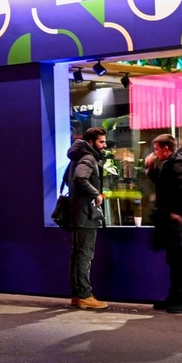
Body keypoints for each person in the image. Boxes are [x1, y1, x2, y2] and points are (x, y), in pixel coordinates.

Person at [144, 133, 182, 313]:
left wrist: (178, 212)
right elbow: (165, 186)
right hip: (174, 222)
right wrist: (151, 169)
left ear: (166, 149)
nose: (155, 153)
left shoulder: (177, 165)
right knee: (174, 260)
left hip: (180, 222)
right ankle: (175, 297)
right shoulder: (171, 164)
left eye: (156, 149)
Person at [65, 127, 109, 310]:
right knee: (85, 254)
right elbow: (79, 179)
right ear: (91, 142)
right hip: (86, 214)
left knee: (78, 254)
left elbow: (70, 181)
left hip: (79, 212)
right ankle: (84, 295)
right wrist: (96, 194)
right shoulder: (89, 158)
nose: (104, 145)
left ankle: (77, 295)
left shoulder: (78, 156)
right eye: (101, 142)